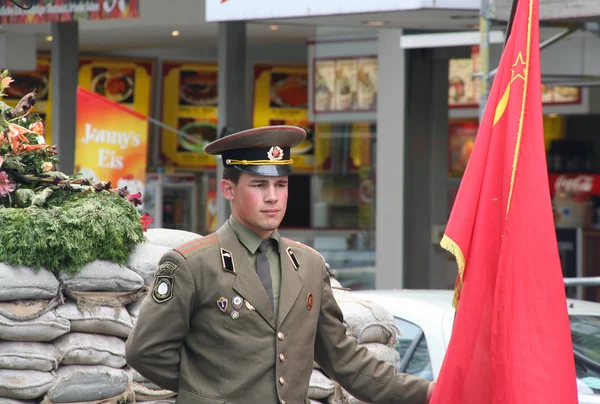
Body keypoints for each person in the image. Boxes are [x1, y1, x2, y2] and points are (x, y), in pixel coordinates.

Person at [126, 125, 435, 404]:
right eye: (259, 185)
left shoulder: (309, 265)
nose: (273, 197)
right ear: (228, 190)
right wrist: (208, 391)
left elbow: (344, 359)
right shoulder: (192, 264)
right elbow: (146, 351)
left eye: (281, 185)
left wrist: (430, 392)